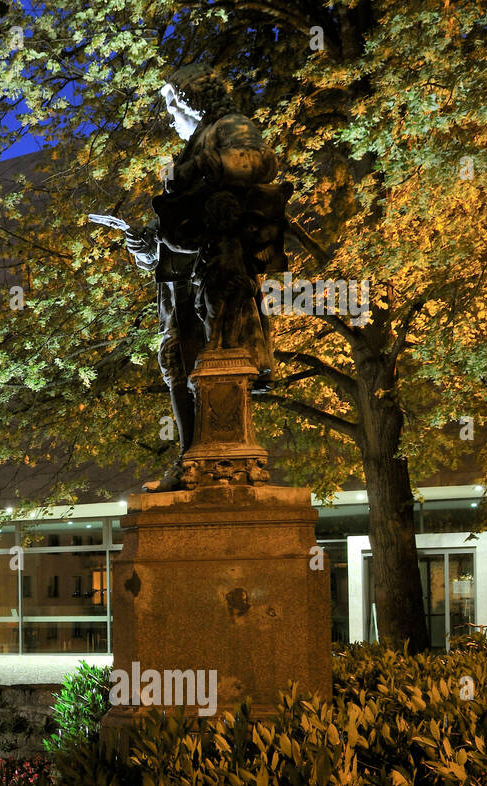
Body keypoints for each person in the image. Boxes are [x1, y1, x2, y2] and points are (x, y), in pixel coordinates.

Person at [122, 64, 291, 490]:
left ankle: (218, 463)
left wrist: (192, 170)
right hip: (181, 284)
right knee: (178, 365)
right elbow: (180, 231)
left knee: (215, 362)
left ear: (189, 102)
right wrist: (147, 251)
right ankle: (189, 461)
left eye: (172, 108)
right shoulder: (196, 146)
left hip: (215, 273)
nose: (172, 119)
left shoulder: (230, 126)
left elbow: (255, 162)